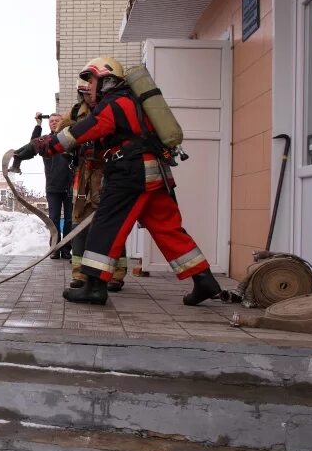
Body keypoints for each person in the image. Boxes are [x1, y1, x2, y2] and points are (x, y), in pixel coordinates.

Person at [19, 57, 222, 306]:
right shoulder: (132, 102)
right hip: (152, 173)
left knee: (106, 224)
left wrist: (41, 145)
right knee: (167, 227)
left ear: (106, 80)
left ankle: (94, 286)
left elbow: (80, 132)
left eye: (91, 80)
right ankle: (204, 279)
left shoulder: (116, 103)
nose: (88, 87)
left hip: (130, 173)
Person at [62, 77, 128, 291]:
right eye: (85, 94)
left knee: (110, 224)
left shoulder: (110, 109)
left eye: (91, 93)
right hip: (83, 176)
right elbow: (61, 137)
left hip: (107, 173)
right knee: (79, 223)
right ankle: (79, 274)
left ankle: (116, 274)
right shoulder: (74, 114)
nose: (89, 97)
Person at [31, 110, 74, 259]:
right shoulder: (46, 141)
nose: (54, 122)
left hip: (70, 187)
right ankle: (55, 248)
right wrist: (38, 125)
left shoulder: (69, 138)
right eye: (51, 121)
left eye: (57, 120)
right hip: (53, 187)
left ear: (62, 122)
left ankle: (67, 248)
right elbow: (33, 143)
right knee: (53, 219)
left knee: (70, 219)